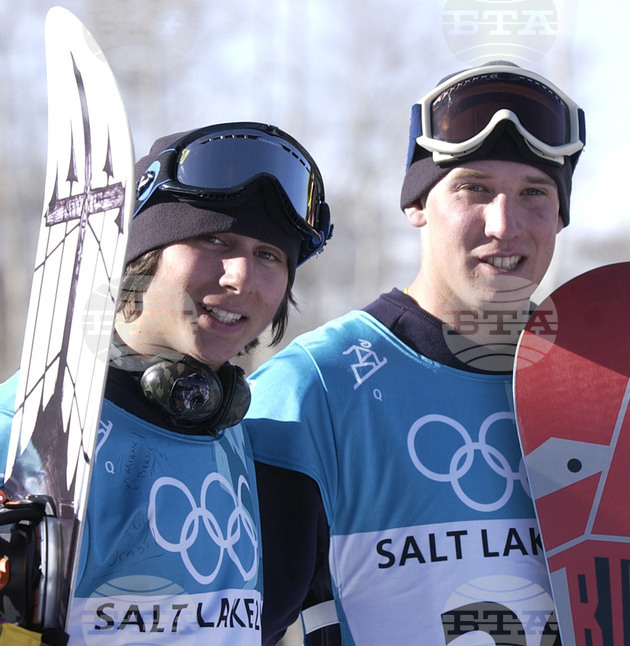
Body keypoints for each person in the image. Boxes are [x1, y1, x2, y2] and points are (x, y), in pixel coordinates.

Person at [244, 61, 584, 645]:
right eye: (473, 188)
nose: (504, 225)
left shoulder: (607, 381)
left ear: (559, 215)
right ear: (418, 206)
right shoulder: (314, 388)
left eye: (534, 193)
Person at [0, 121, 332, 644]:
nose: (240, 278)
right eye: (214, 238)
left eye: (269, 255)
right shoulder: (25, 435)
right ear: (142, 256)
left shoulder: (253, 453)